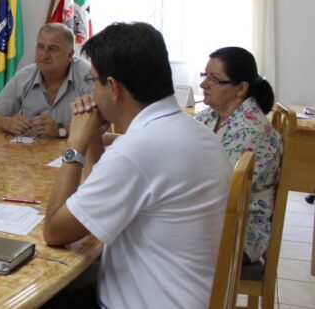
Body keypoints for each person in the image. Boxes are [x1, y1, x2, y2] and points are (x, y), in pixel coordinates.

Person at [42, 22, 232, 308]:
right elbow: (97, 195)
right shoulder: (195, 132)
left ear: (112, 87)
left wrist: (75, 145)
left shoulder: (138, 151)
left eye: (93, 81)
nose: (91, 93)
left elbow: (55, 231)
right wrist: (92, 138)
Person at [196, 46, 281, 265]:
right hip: (212, 219)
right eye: (205, 76)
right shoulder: (211, 116)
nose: (203, 84)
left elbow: (219, 188)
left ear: (241, 88)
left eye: (214, 79)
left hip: (239, 233)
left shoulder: (254, 132)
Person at [0, 23, 91, 138]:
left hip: (74, 153)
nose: (44, 55)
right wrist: (8, 123)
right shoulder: (24, 77)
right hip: (31, 153)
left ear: (70, 55)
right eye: (40, 47)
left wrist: (61, 129)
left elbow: (101, 126)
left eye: (53, 49)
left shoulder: (87, 77)